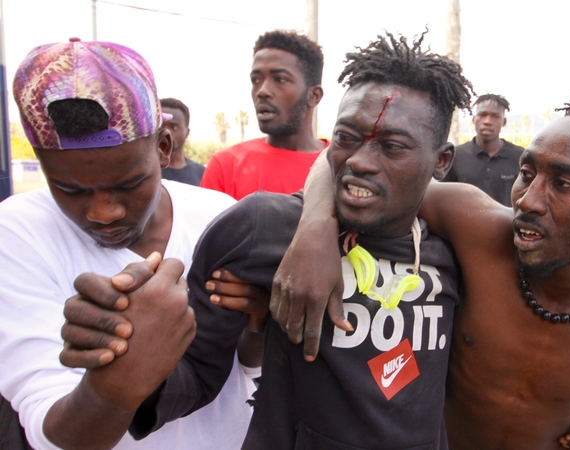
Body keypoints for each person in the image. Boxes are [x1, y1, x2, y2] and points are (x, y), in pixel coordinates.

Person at [58, 32, 570, 450]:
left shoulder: (463, 252)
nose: (361, 162)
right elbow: (199, 375)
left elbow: (522, 335)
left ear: (442, 161)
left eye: (393, 148)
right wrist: (128, 365)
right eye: (348, 138)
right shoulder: (260, 228)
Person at [269, 89, 570, 449]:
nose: (528, 200)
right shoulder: (475, 229)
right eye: (527, 173)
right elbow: (338, 165)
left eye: (563, 184)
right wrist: (316, 229)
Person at [0, 38, 256, 449]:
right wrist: (122, 375)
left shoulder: (219, 215)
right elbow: (51, 435)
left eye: (129, 184)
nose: (104, 212)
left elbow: (248, 372)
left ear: (163, 148)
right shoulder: (17, 232)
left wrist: (256, 323)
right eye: (70, 189)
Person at [200, 30, 327, 199]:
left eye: (280, 79)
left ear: (314, 95)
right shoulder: (225, 166)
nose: (262, 91)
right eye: (256, 80)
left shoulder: (340, 165)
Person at [442, 93, 524, 206]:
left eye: (495, 116)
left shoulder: (520, 157)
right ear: (474, 119)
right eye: (482, 115)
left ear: (504, 122)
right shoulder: (455, 156)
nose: (487, 121)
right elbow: (443, 199)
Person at [159, 97, 205, 186]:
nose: (166, 132)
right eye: (160, 126)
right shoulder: (142, 170)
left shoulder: (201, 173)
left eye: (174, 127)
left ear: (187, 133)